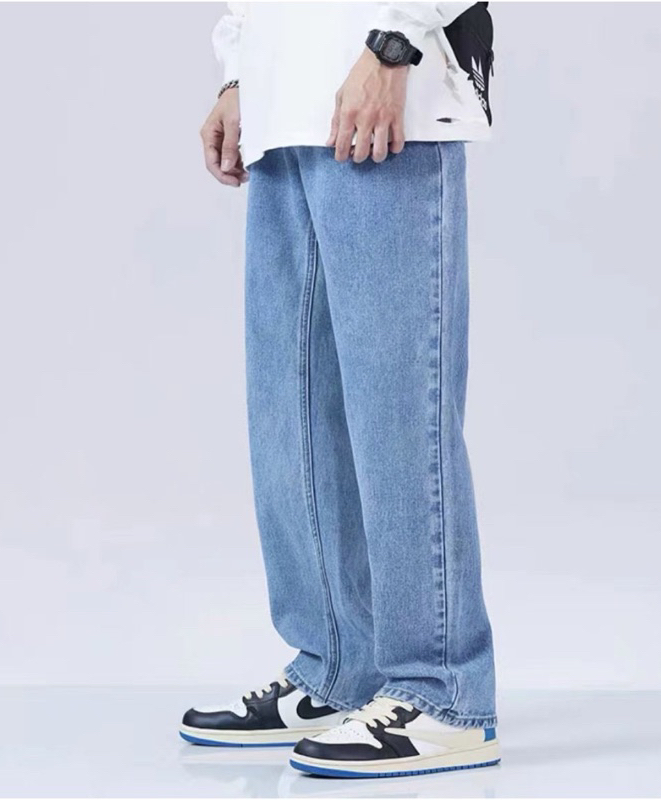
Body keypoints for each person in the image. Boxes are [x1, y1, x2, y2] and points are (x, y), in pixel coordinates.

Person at [179, 1, 499, 779]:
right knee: (292, 415)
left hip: (391, 97)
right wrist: (238, 75)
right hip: (283, 109)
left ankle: (443, 692)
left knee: (399, 414)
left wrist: (395, 44)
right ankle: (337, 668)